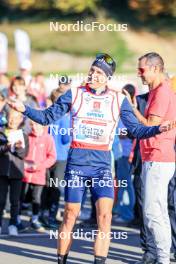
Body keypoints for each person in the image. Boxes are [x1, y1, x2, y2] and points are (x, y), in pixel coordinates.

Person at [8, 53, 176, 264]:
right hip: (77, 162)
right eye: (92, 70)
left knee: (104, 218)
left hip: (103, 165)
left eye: (98, 72)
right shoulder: (74, 94)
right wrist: (24, 109)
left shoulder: (119, 99)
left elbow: (136, 130)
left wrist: (157, 129)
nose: (93, 75)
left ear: (107, 77)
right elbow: (46, 117)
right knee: (70, 214)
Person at [126, 52, 176, 264]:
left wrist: (132, 109)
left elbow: (149, 126)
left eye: (142, 70)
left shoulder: (162, 92)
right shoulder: (161, 90)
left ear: (156, 69)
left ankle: (163, 259)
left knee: (152, 214)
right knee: (159, 213)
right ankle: (163, 258)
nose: (139, 74)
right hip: (158, 157)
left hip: (158, 157)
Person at [21, 120, 56, 232]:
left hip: (39, 174)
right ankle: (17, 219)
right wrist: (23, 164)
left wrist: (40, 166)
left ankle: (35, 219)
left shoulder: (48, 138)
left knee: (37, 197)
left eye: (36, 124)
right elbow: (21, 153)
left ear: (42, 125)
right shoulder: (27, 136)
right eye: (32, 124)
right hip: (25, 174)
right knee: (21, 196)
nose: (34, 127)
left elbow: (52, 157)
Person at [0, 109, 29, 236]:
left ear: (21, 120)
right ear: (7, 117)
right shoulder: (1, 132)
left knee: (15, 201)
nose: (13, 120)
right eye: (11, 117)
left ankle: (13, 224)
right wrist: (6, 146)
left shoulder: (24, 135)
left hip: (17, 172)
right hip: (2, 171)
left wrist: (18, 148)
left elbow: (24, 154)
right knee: (0, 200)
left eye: (16, 118)